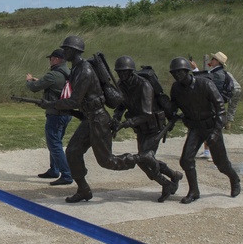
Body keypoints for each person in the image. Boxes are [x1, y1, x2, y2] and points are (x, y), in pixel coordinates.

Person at [41, 35, 116, 203]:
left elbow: (74, 100)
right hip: (89, 118)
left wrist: (51, 104)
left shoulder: (85, 70)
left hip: (98, 119)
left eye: (66, 49)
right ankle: (84, 190)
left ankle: (145, 159)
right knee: (73, 152)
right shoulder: (75, 69)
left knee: (108, 161)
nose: (63, 52)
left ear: (74, 51)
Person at [168, 57, 241, 203]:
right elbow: (173, 107)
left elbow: (221, 109)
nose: (176, 75)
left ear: (187, 71)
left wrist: (215, 131)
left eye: (179, 72)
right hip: (195, 127)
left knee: (221, 164)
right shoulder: (176, 88)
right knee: (186, 160)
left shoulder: (205, 84)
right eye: (174, 73)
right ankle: (194, 191)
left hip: (211, 126)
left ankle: (235, 179)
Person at [111, 56, 183, 201]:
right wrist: (117, 116)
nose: (121, 75)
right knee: (146, 160)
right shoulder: (122, 85)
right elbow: (121, 104)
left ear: (131, 71)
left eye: (124, 72)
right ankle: (174, 176)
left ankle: (166, 183)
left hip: (153, 126)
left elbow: (147, 114)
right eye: (119, 72)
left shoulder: (144, 85)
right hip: (140, 128)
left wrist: (126, 123)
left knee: (144, 159)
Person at [25, 48, 73, 186]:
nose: (50, 61)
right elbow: (57, 86)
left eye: (51, 58)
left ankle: (66, 174)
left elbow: (34, 87)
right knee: (56, 142)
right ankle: (54, 170)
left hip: (56, 114)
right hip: (66, 113)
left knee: (54, 144)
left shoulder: (53, 74)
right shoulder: (68, 72)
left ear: (56, 59)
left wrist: (29, 80)